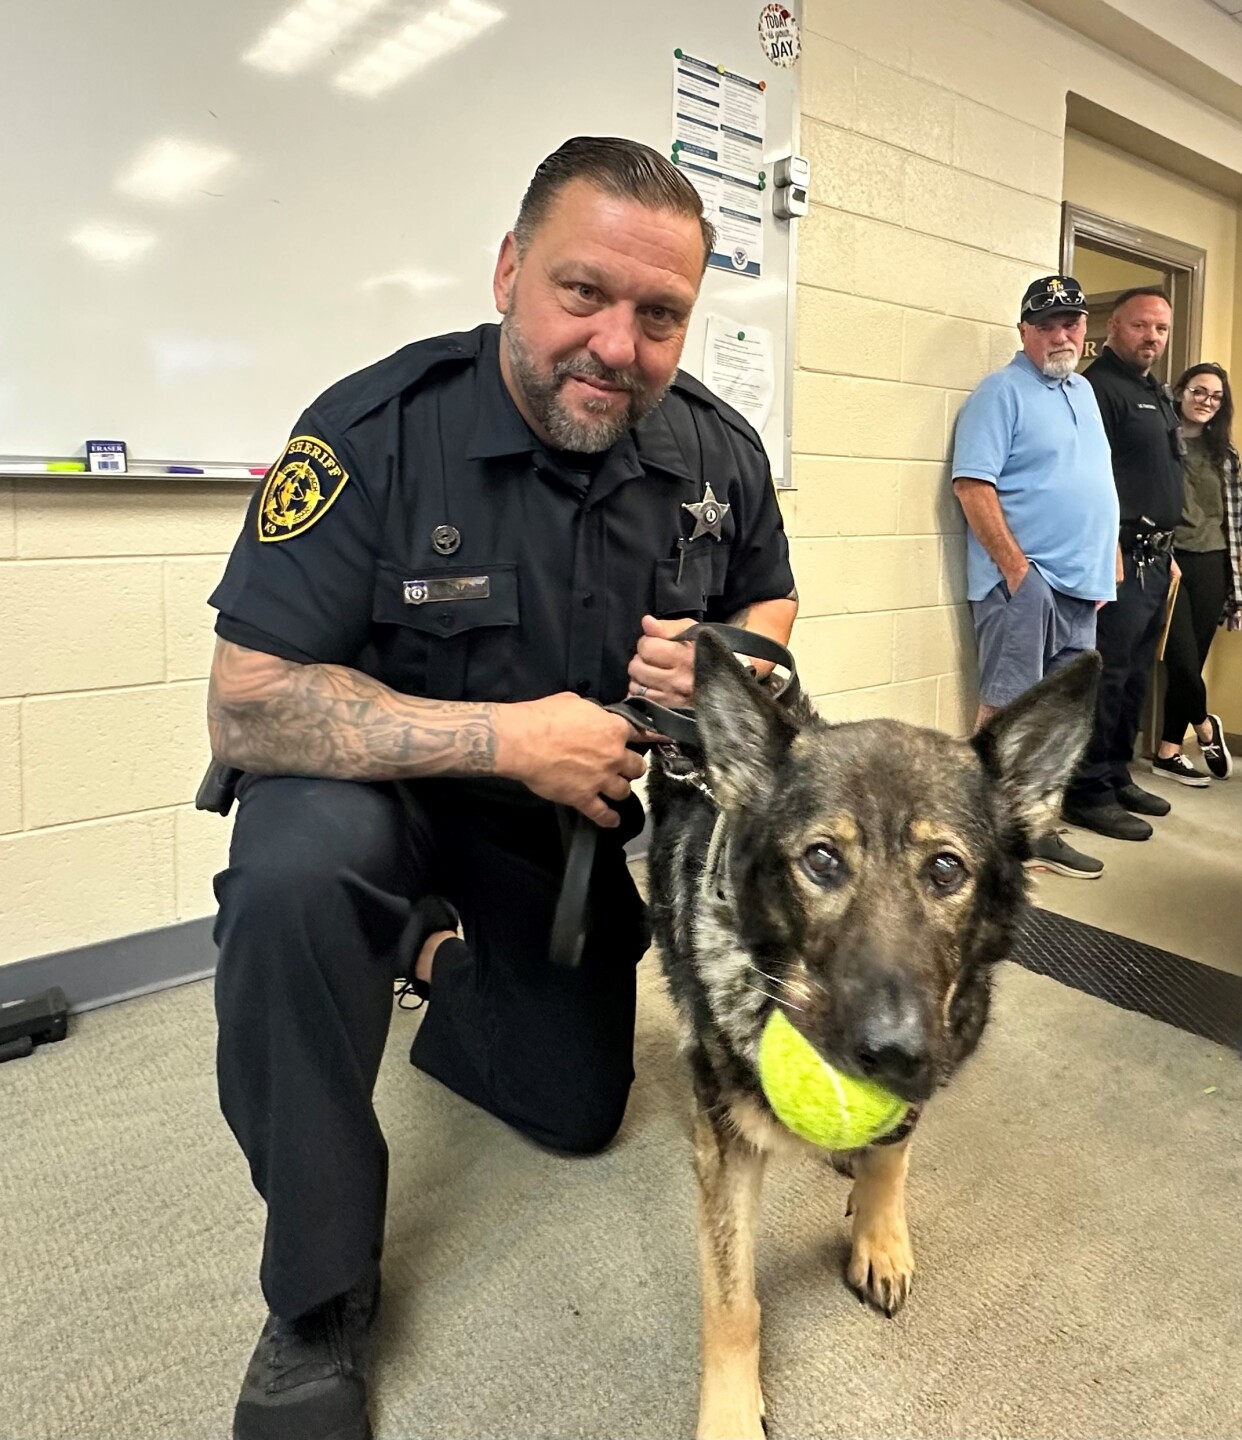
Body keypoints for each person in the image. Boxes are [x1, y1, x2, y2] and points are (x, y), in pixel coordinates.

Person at [205, 136, 797, 1440]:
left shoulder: (711, 450)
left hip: (559, 832)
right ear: (509, 269)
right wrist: (507, 741)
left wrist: (730, 659)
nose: (618, 344)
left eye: (659, 315)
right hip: (369, 799)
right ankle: (314, 1305)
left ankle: (438, 959)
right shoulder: (375, 432)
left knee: (578, 1110)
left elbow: (767, 594)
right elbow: (247, 698)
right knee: (295, 877)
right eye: (582, 293)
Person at [951, 274, 1118, 878]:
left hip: (1083, 587)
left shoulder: (1084, 393)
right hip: (1027, 585)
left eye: (1070, 323)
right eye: (1045, 324)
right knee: (1005, 709)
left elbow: (1093, 480)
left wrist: (1108, 558)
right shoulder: (1001, 392)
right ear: (1024, 330)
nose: (1060, 335)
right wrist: (1019, 572)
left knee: (1057, 719)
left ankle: (1039, 829)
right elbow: (973, 484)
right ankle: (976, 834)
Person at [1062, 286, 1184, 842]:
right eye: (1140, 326)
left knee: (1136, 674)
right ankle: (1086, 790)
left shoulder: (1155, 391)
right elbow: (1090, 476)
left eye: (1160, 329)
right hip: (1119, 555)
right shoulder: (1097, 388)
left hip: (1158, 559)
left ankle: (1116, 772)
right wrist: (1107, 544)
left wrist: (1172, 551)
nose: (1152, 338)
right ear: (1113, 327)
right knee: (1106, 677)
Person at [1152, 362, 1240, 784]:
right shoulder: (1162, 442)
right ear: (1180, 391)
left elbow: (1234, 520)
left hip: (1212, 562)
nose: (1206, 401)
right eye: (1199, 391)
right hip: (1167, 559)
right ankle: (1205, 726)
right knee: (1180, 658)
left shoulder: (1226, 455)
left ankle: (1169, 751)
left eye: (1216, 396)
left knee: (1192, 660)